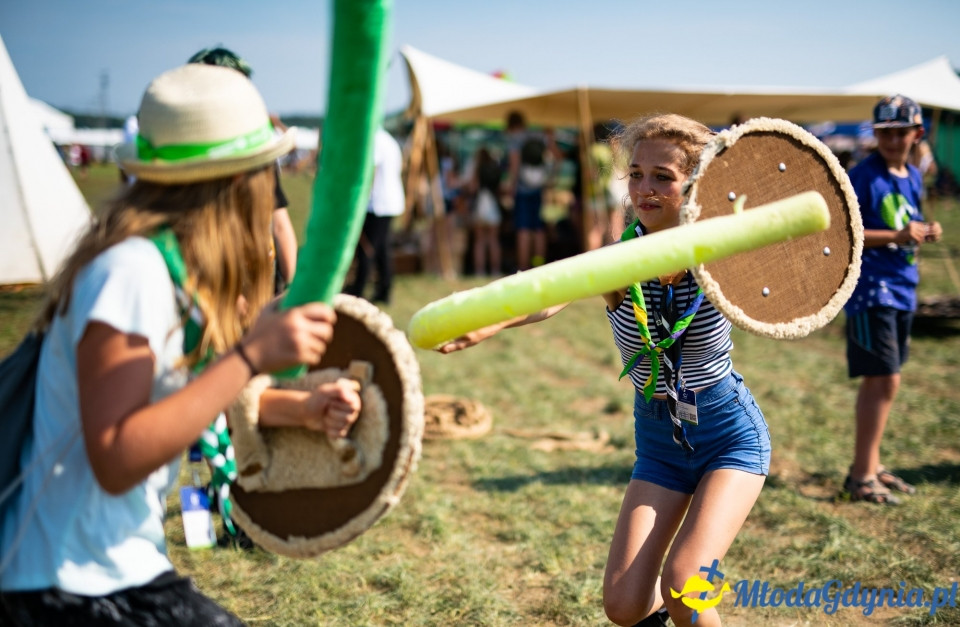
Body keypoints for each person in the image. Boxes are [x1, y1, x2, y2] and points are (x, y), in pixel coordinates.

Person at [0, 64, 362, 626]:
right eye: (271, 168)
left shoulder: (173, 272)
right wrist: (249, 356)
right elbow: (117, 454)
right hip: (65, 587)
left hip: (112, 571)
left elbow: (192, 407)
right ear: (242, 182)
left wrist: (305, 409)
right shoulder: (131, 272)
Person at [439, 113, 770, 627]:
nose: (644, 187)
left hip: (728, 435)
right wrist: (487, 322)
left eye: (663, 176)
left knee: (685, 586)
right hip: (660, 442)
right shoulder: (620, 260)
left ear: (697, 186)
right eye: (636, 173)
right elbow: (551, 292)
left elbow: (789, 267)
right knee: (623, 607)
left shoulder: (720, 254)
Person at [842, 95, 943, 505]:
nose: (892, 139)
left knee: (890, 379)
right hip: (872, 290)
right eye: (885, 133)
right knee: (883, 379)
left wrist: (921, 231)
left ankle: (869, 463)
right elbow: (849, 231)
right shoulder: (864, 175)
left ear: (916, 134)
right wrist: (900, 236)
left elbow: (906, 221)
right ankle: (862, 475)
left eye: (900, 132)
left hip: (903, 286)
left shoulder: (914, 176)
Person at [187, 46, 299, 296]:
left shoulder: (261, 155)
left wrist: (292, 289)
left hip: (262, 294)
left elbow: (280, 223)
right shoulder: (184, 167)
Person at [344, 126, 405, 304]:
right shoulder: (389, 140)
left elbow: (370, 171)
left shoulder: (375, 140)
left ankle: (359, 289)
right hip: (389, 202)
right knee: (382, 249)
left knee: (367, 248)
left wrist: (359, 201)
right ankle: (384, 289)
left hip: (377, 203)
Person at [502, 110, 560, 270]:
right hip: (539, 188)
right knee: (538, 228)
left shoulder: (515, 139)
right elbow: (557, 156)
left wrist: (511, 188)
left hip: (522, 189)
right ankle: (538, 265)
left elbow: (514, 166)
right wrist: (551, 176)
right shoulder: (536, 136)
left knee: (523, 229)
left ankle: (524, 266)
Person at [467, 145, 504, 276]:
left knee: (480, 241)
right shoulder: (494, 168)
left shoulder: (477, 169)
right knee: (493, 240)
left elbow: (472, 187)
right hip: (493, 206)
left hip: (480, 206)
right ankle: (495, 270)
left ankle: (480, 271)